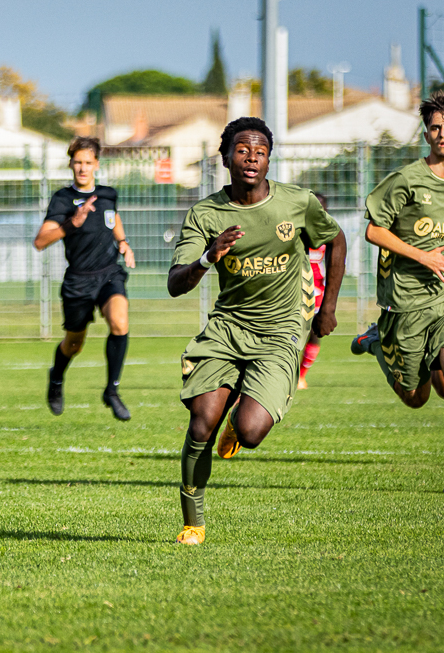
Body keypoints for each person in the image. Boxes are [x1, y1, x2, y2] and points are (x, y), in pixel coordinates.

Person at [168, 117, 345, 545]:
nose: (251, 158)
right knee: (199, 426)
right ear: (225, 156)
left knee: (249, 432)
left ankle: (240, 419)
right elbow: (175, 283)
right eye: (243, 150)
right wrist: (209, 257)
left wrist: (328, 308)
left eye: (260, 151)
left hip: (280, 331)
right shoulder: (206, 213)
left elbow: (336, 241)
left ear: (269, 158)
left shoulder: (297, 203)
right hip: (228, 329)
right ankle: (193, 522)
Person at [350, 90, 444, 493]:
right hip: (405, 303)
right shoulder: (407, 180)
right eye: (434, 127)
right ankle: (378, 342)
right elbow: (374, 230)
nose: (442, 133)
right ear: (426, 135)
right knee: (415, 397)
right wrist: (422, 257)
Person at [34, 136, 136, 420]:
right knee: (73, 344)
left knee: (119, 321)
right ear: (70, 164)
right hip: (78, 280)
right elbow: (40, 241)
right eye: (77, 162)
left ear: (96, 165)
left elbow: (112, 218)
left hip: (108, 273)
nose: (82, 168)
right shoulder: (63, 199)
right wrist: (71, 223)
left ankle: (112, 390)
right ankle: (56, 377)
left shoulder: (107, 193)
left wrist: (124, 242)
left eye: (87, 162)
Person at [297, 192, 331, 390]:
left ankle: (301, 376)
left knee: (314, 334)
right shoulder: (297, 231)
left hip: (317, 290)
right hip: (296, 289)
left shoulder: (330, 233)